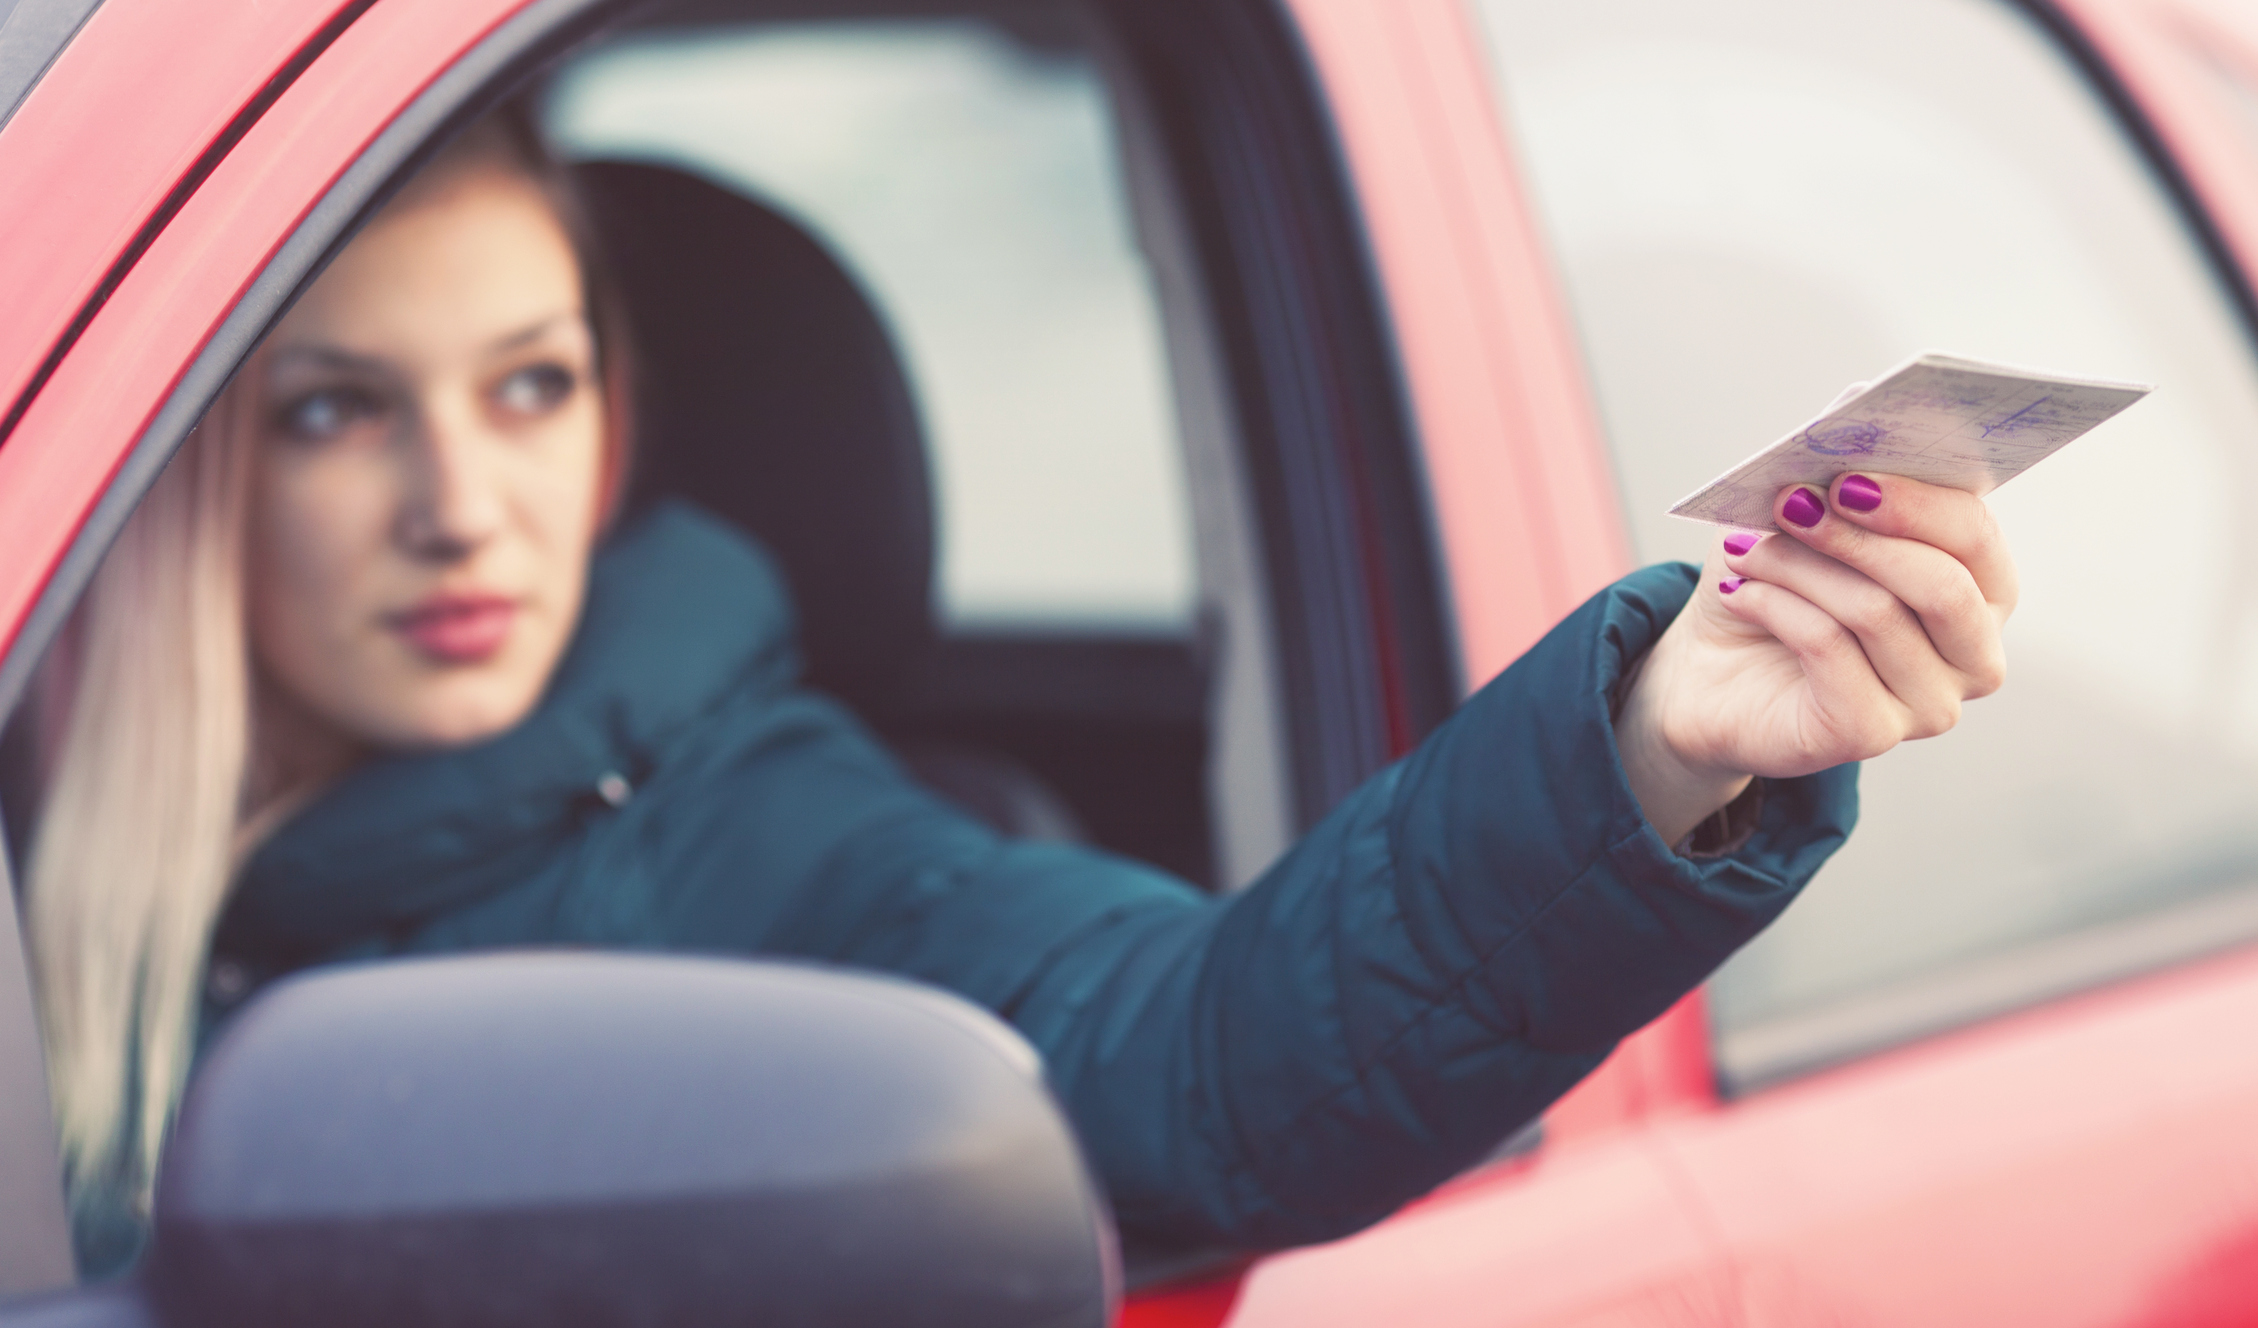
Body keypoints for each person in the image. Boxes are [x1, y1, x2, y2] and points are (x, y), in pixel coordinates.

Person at [16, 110, 2009, 1278]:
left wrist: (1651, 740)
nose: (464, 508)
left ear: (617, 429)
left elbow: (1205, 1052)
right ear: (187, 454)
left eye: (529, 385)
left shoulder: (755, 824)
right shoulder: (49, 818)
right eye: (340, 410)